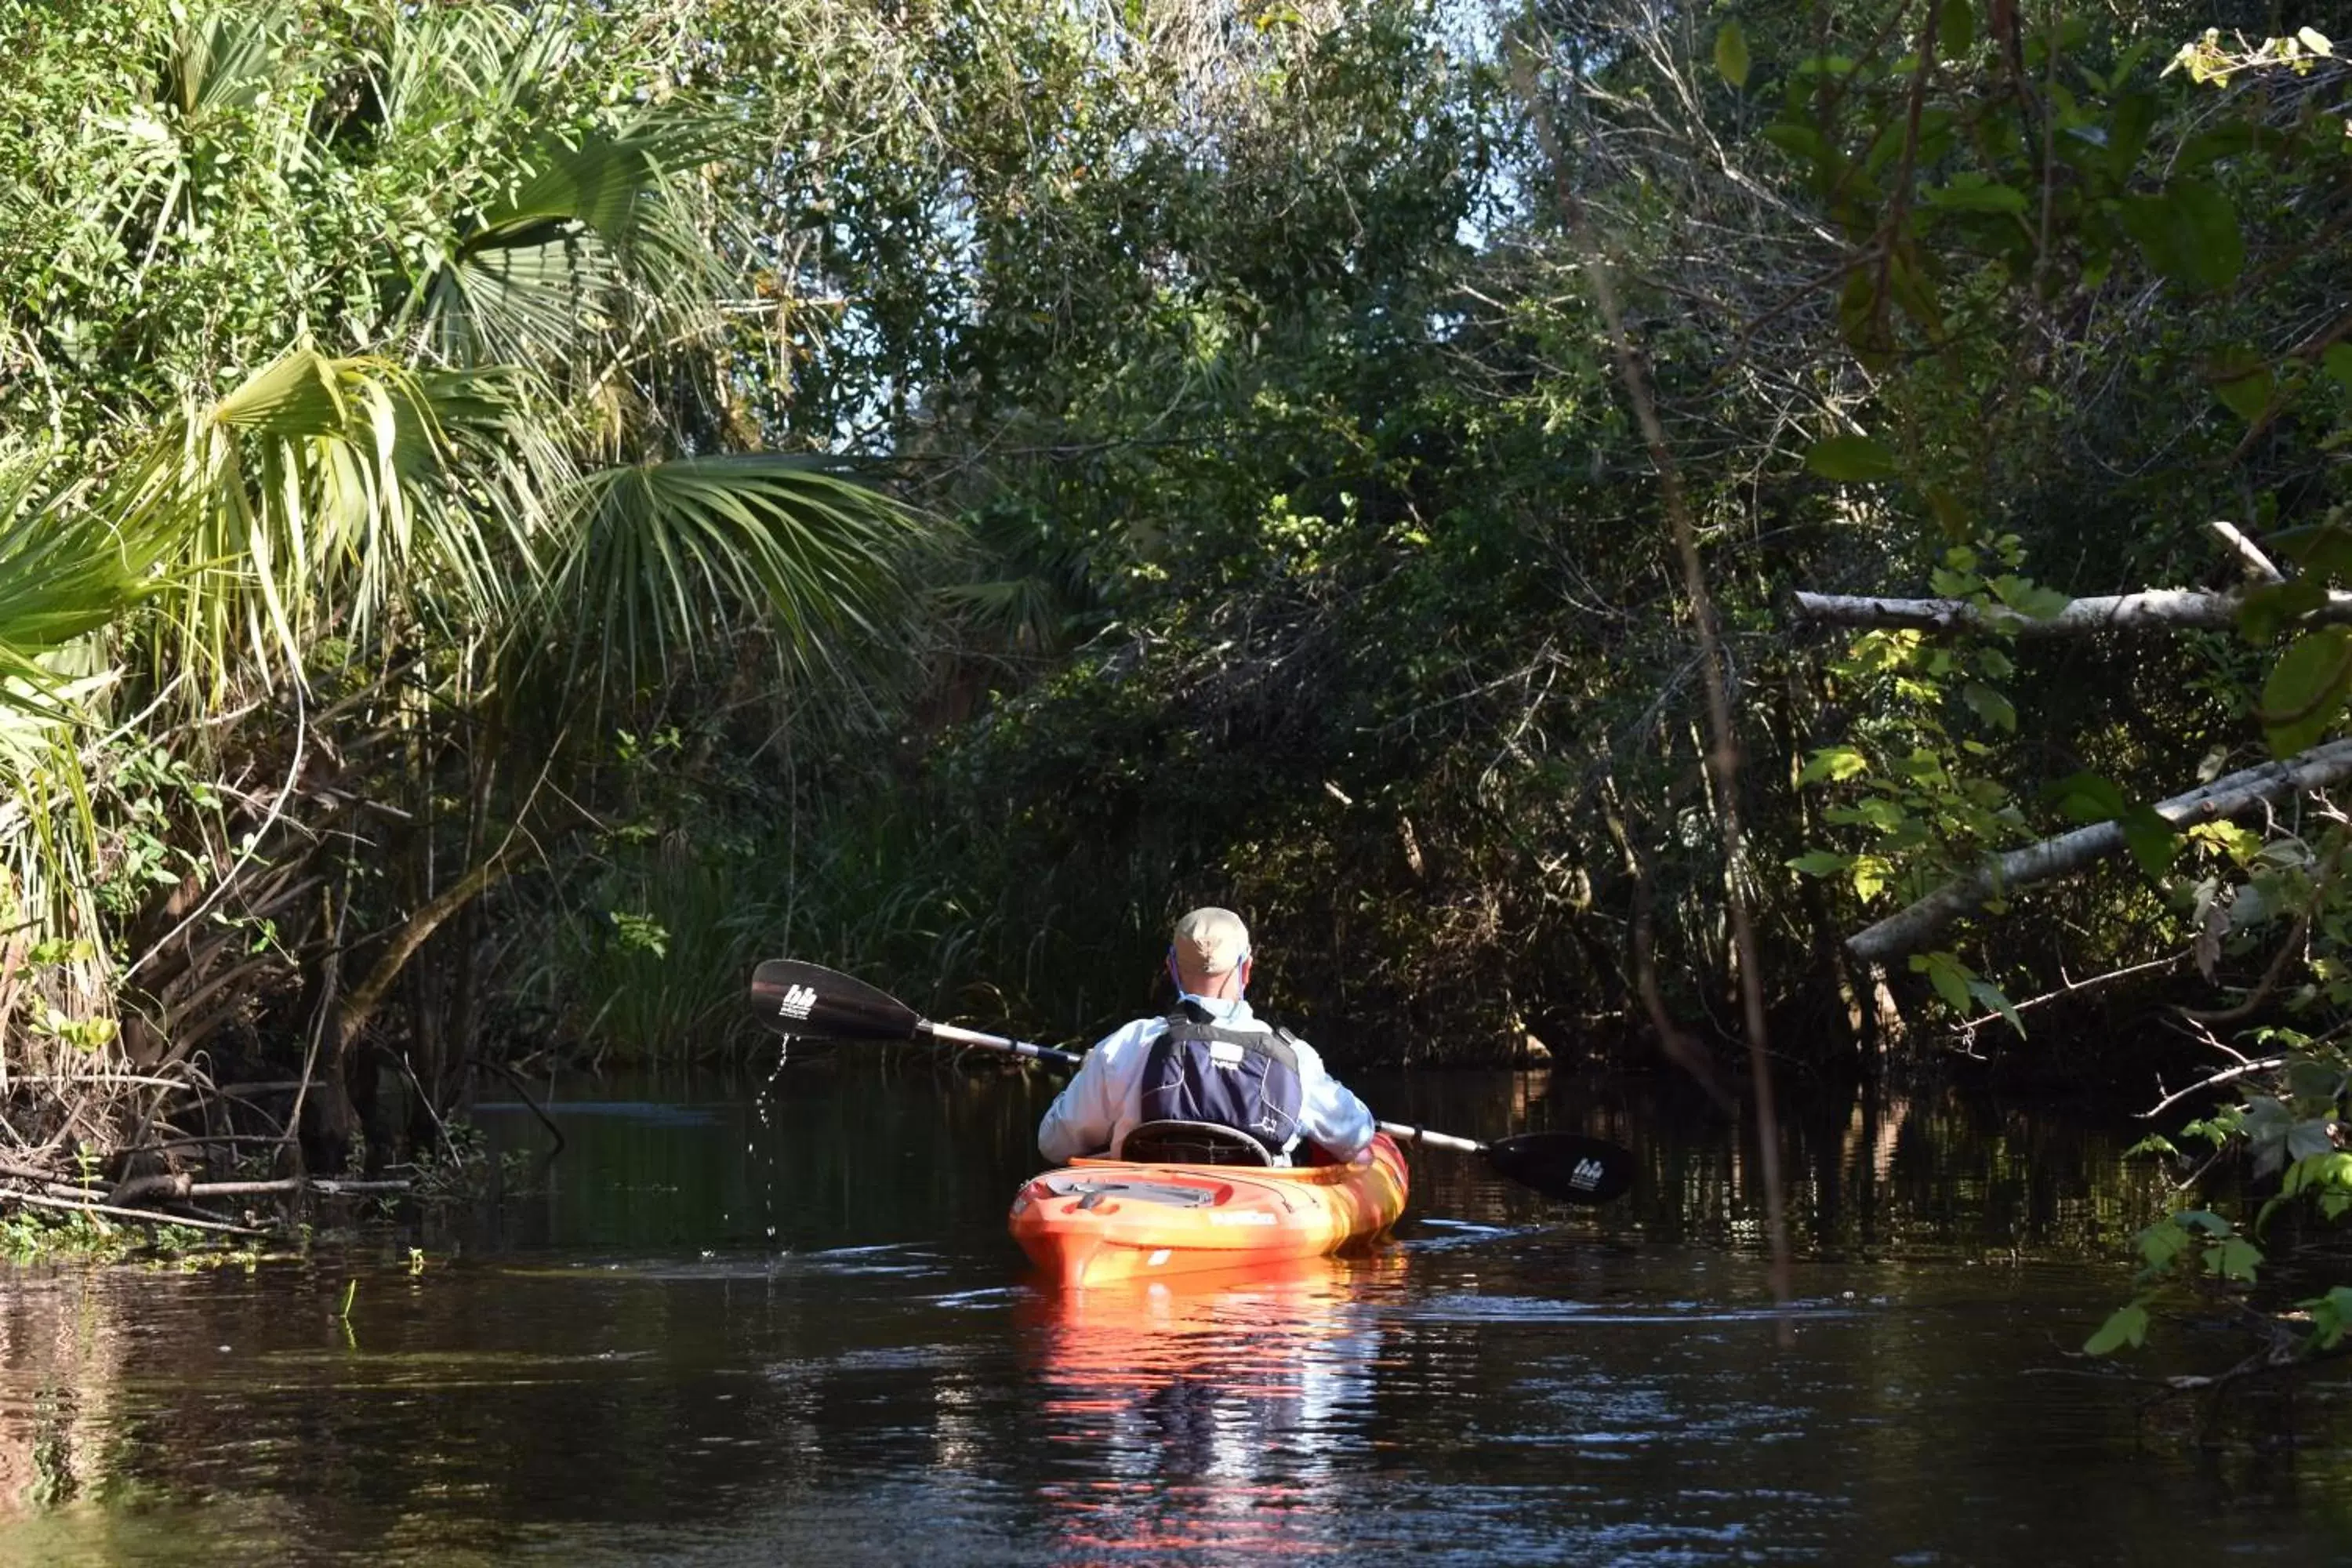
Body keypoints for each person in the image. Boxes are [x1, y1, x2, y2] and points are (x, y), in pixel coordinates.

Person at [1036, 907, 1377, 1167]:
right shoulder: (1295, 1057)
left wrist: (1088, 1071)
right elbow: (1356, 1137)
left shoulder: (1127, 1045)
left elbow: (1054, 1144)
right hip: (1256, 1210)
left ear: (1171, 967)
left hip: (1145, 1206)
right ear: (1246, 969)